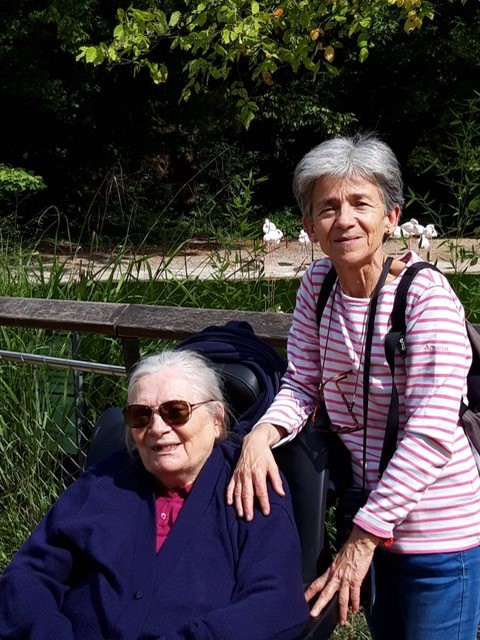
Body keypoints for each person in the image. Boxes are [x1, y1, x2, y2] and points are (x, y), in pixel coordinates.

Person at [226, 132, 480, 640]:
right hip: (368, 520)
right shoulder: (318, 287)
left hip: (437, 535)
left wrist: (361, 542)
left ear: (391, 217)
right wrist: (259, 436)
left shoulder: (424, 297)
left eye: (361, 203)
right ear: (309, 226)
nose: (344, 219)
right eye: (328, 207)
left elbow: (430, 432)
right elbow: (302, 384)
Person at [0, 349, 309, 640]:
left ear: (216, 420)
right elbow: (29, 573)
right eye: (141, 415)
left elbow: (276, 603)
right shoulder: (104, 481)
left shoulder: (248, 483)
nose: (158, 428)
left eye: (176, 412)